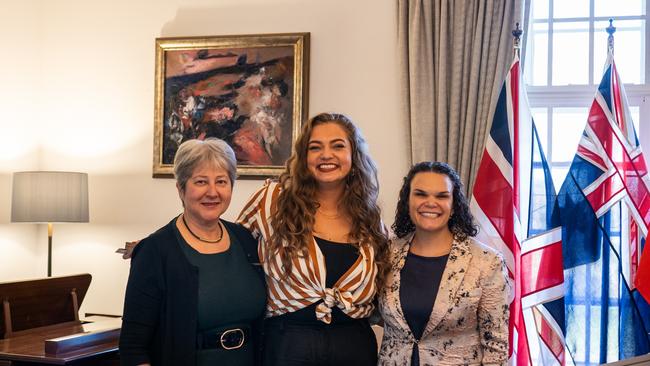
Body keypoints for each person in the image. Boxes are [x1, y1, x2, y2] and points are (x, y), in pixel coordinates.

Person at [237, 112, 389, 366]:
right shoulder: (271, 201)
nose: (326, 155)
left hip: (354, 345)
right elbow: (230, 249)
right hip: (288, 345)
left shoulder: (370, 219)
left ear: (354, 154)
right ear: (303, 157)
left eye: (338, 146)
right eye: (315, 147)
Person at [119, 138, 266, 366]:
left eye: (221, 181)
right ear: (181, 188)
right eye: (200, 182)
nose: (212, 192)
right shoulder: (155, 251)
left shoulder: (246, 240)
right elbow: (133, 347)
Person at [378, 162, 510, 365]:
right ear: (407, 201)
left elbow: (496, 346)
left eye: (442, 196)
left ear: (455, 204)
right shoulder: (386, 253)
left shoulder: (486, 262)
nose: (431, 202)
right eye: (421, 194)